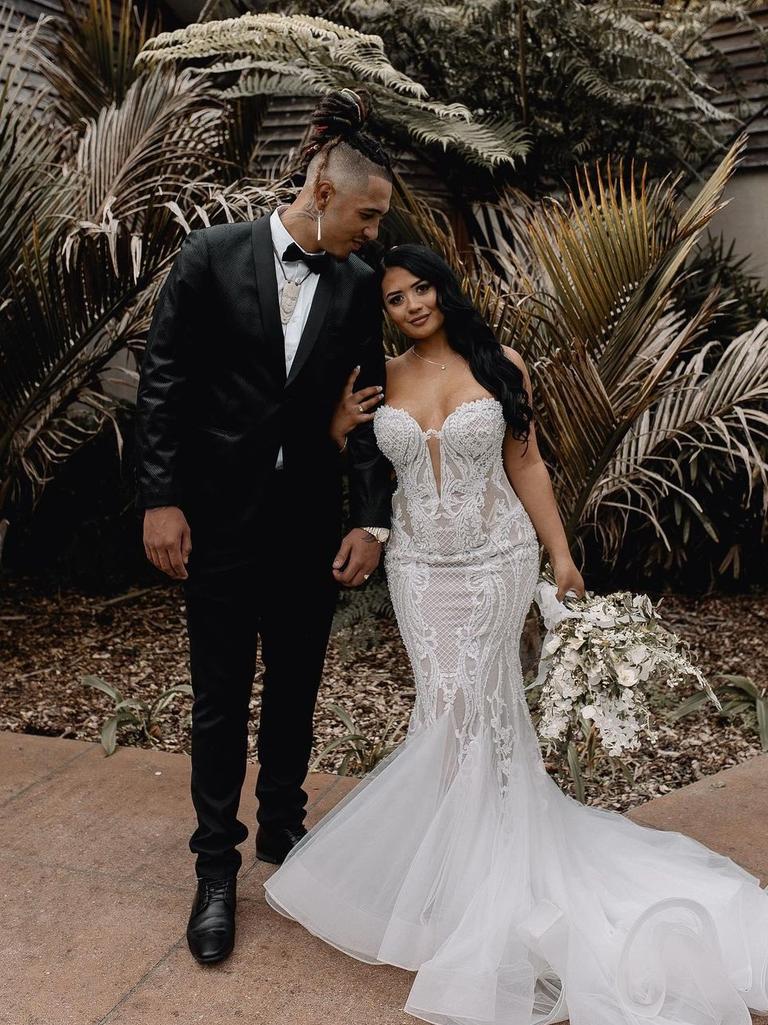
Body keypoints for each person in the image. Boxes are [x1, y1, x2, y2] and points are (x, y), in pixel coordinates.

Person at [263, 244, 768, 1025]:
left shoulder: (501, 363)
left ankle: (481, 886)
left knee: (478, 710)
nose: (411, 305)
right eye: (395, 298)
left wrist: (560, 553)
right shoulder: (381, 376)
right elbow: (355, 459)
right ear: (386, 311)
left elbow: (525, 463)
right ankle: (453, 877)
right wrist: (333, 425)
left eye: (421, 288)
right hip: (420, 567)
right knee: (445, 710)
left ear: (444, 288)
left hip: (497, 557)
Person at [133, 88, 394, 965]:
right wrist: (160, 499)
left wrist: (370, 518)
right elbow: (164, 383)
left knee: (294, 687)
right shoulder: (209, 258)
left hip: (309, 524)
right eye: (367, 213)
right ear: (323, 192)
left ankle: (286, 828)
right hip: (215, 522)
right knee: (217, 701)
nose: (372, 231)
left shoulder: (358, 287)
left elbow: (362, 406)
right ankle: (216, 872)